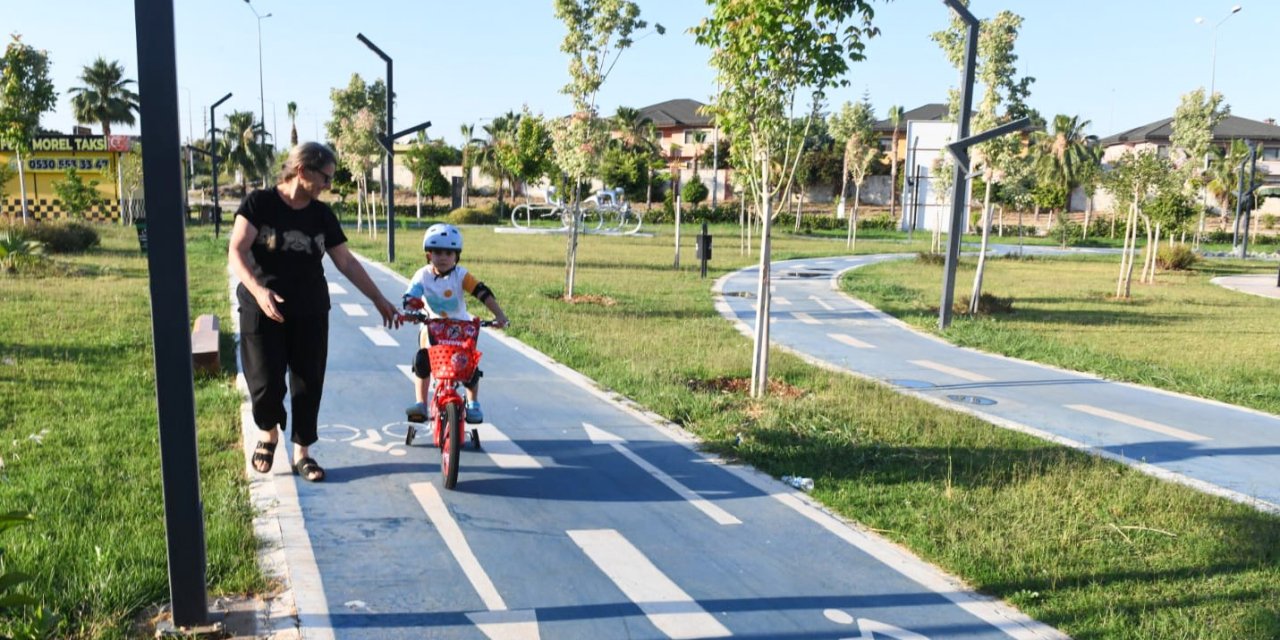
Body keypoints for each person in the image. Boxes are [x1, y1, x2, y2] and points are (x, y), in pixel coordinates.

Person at [229, 142, 399, 482]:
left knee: (308, 381)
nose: (328, 186)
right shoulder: (259, 204)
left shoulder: (322, 215)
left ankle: (303, 452)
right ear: (303, 170)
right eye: (325, 177)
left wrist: (378, 299)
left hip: (310, 309)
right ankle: (269, 432)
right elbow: (237, 250)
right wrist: (259, 291)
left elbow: (346, 262)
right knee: (263, 381)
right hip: (261, 306)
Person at [403, 223, 509, 423]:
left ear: (456, 256)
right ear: (428, 255)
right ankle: (421, 403)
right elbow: (411, 296)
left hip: (460, 327)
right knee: (421, 360)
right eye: (437, 252)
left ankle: (473, 403)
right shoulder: (422, 275)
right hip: (432, 326)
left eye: (449, 253)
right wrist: (410, 311)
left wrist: (499, 315)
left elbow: (482, 293)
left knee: (469, 365)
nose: (443, 257)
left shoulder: (461, 276)